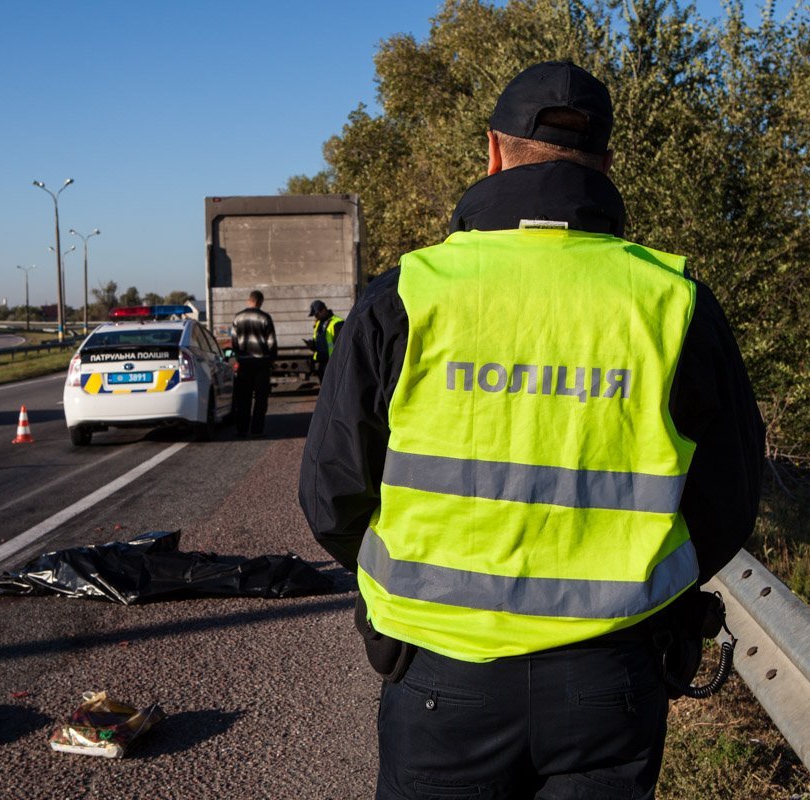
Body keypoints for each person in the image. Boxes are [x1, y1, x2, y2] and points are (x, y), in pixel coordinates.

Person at [298, 61, 765, 799]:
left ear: (492, 152)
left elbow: (332, 492)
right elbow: (730, 497)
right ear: (606, 164)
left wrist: (401, 597)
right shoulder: (673, 302)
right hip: (612, 676)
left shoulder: (408, 294)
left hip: (437, 676)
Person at [230, 289, 278, 437]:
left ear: (249, 300)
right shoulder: (265, 318)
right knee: (260, 399)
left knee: (243, 398)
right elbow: (272, 343)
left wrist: (239, 356)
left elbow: (234, 342)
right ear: (260, 302)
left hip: (244, 364)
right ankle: (257, 431)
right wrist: (271, 360)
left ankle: (242, 429)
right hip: (262, 365)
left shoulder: (238, 318)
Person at [307, 299, 344, 378]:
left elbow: (342, 345)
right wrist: (312, 345)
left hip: (332, 363)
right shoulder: (319, 323)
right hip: (322, 362)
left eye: (317, 314)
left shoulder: (337, 323)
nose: (316, 317)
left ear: (323, 310)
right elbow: (318, 340)